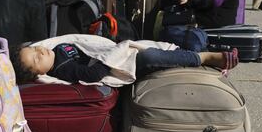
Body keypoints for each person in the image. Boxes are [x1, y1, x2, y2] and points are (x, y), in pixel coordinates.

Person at [12, 34, 239, 85]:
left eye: (36, 48)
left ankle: (199, 54)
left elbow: (86, 43)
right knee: (150, 57)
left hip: (113, 52)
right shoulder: (62, 70)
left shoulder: (60, 47)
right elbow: (91, 75)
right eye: (35, 57)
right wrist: (112, 56)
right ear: (38, 73)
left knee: (155, 47)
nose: (41, 51)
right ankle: (206, 57)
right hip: (115, 65)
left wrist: (112, 47)